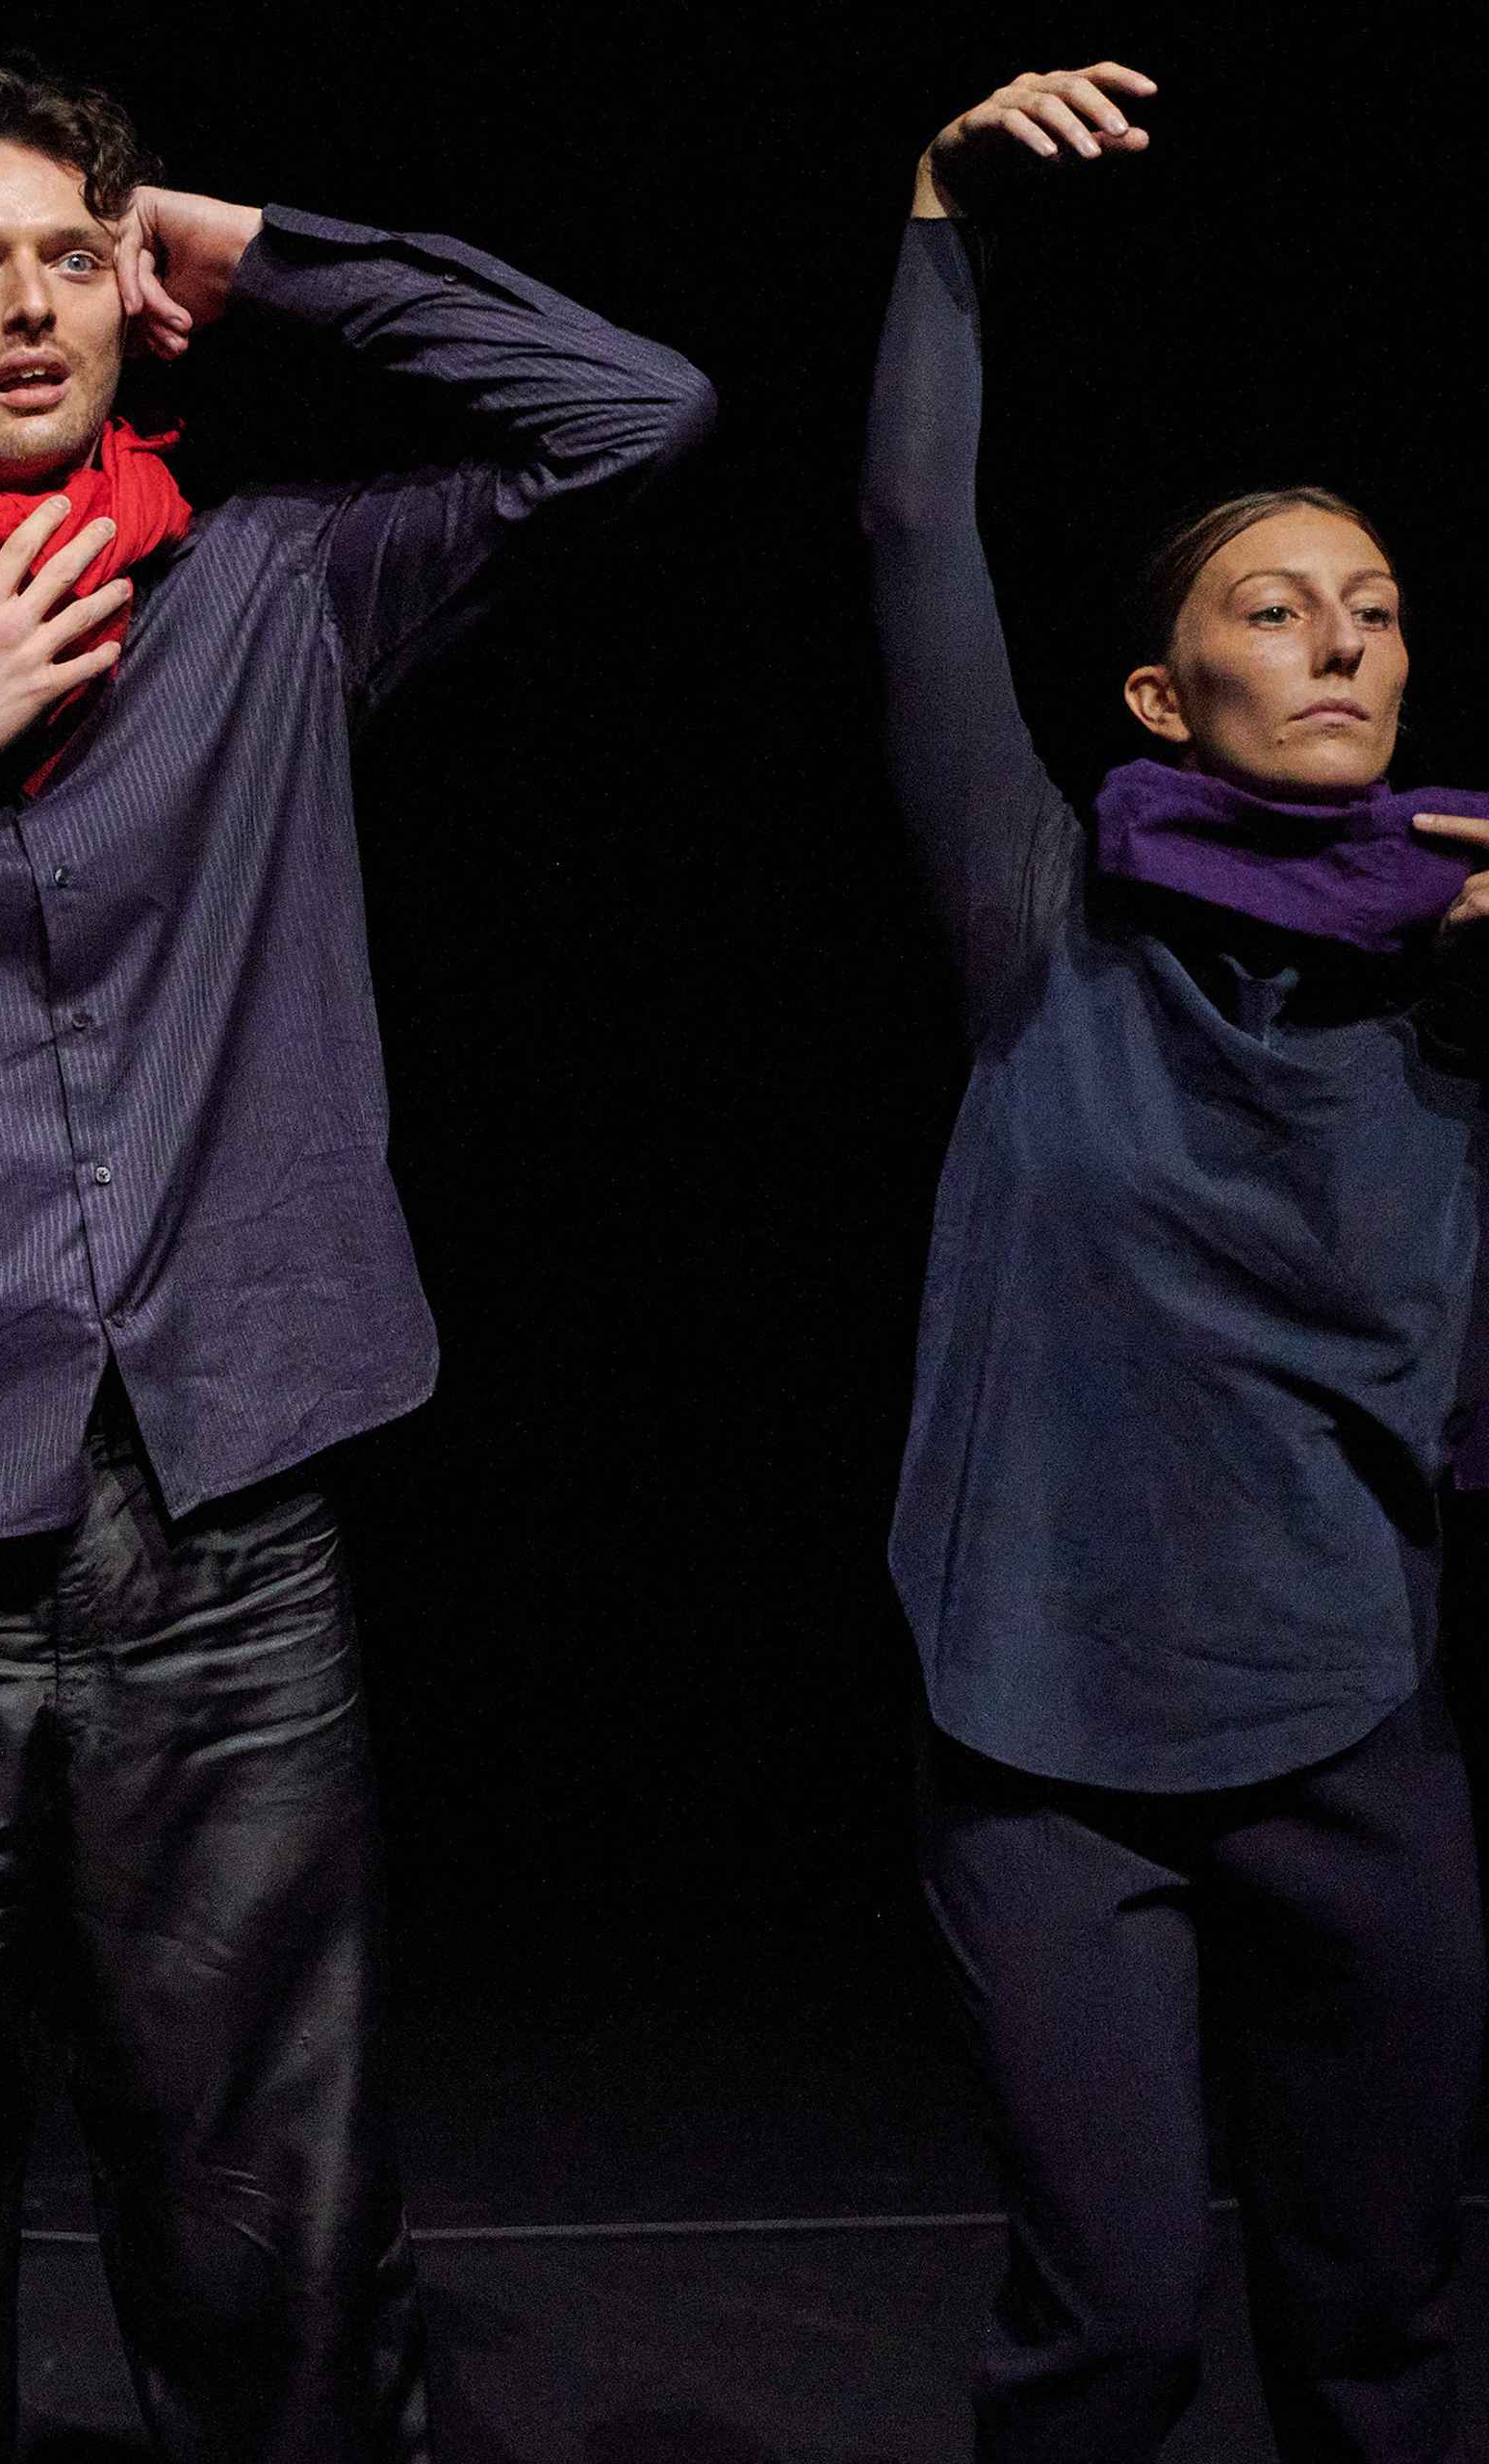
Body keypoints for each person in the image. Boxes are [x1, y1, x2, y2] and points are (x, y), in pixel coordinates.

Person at [0, 55, 713, 2464]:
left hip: (226, 1502)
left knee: (268, 2195)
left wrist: (256, 246)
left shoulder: (258, 592)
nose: (26, 306)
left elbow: (636, 415)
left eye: (69, 257)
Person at [865, 62, 1489, 2464]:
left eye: (1375, 613)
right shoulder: (1044, 917)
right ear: (1164, 691)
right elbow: (914, 531)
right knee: (1116, 2321)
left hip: (1349, 1722)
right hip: (1047, 1731)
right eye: (1273, 607)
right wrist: (938, 216)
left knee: (1382, 2330)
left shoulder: (1458, 966)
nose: (1337, 644)